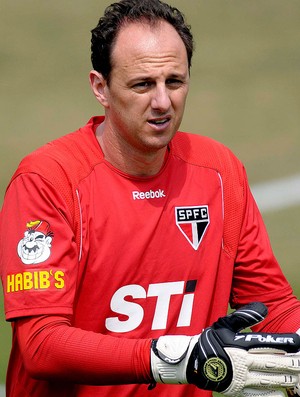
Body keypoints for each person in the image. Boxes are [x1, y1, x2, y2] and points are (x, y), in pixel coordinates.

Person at [0, 0, 300, 396]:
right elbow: (42, 345)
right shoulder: (49, 181)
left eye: (174, 81)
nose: (162, 102)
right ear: (100, 87)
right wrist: (173, 358)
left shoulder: (220, 171)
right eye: (142, 84)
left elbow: (271, 306)